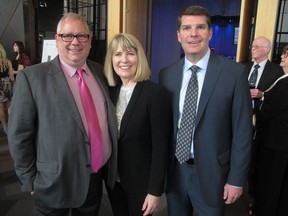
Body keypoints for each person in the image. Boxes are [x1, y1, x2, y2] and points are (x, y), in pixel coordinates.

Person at [8, 12, 117, 216]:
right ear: (57, 40)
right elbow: (19, 136)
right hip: (51, 183)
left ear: (90, 41)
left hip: (93, 178)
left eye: (81, 36)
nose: (75, 42)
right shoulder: (31, 79)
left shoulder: (101, 73)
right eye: (67, 36)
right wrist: (30, 180)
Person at [158, 5, 252, 216]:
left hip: (213, 173)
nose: (193, 34)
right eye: (187, 28)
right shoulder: (166, 75)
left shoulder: (234, 74)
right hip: (175, 171)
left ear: (210, 33)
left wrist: (236, 179)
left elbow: (243, 132)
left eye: (200, 27)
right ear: (178, 35)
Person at [103, 33, 172, 216]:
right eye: (117, 54)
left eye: (130, 53)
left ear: (139, 57)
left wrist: (154, 190)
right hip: (113, 180)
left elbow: (161, 146)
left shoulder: (155, 94)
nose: (124, 59)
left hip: (141, 184)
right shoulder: (109, 92)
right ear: (111, 59)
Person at [246, 36, 284, 215]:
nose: (252, 48)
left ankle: (254, 196)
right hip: (242, 118)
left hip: (263, 126)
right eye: (252, 46)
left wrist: (261, 95)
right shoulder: (242, 67)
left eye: (257, 46)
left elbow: (275, 102)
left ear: (266, 50)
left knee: (257, 160)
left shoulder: (277, 72)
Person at [253, 45, 288, 216]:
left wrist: (255, 114)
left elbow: (268, 112)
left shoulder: (286, 83)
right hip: (278, 141)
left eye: (286, 55)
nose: (282, 57)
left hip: (277, 142)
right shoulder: (284, 79)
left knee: (271, 181)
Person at [0, 44, 14, 134]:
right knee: (10, 106)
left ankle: (5, 127)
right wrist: (14, 85)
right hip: (6, 83)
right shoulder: (7, 61)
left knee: (0, 107)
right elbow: (12, 77)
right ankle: (12, 125)